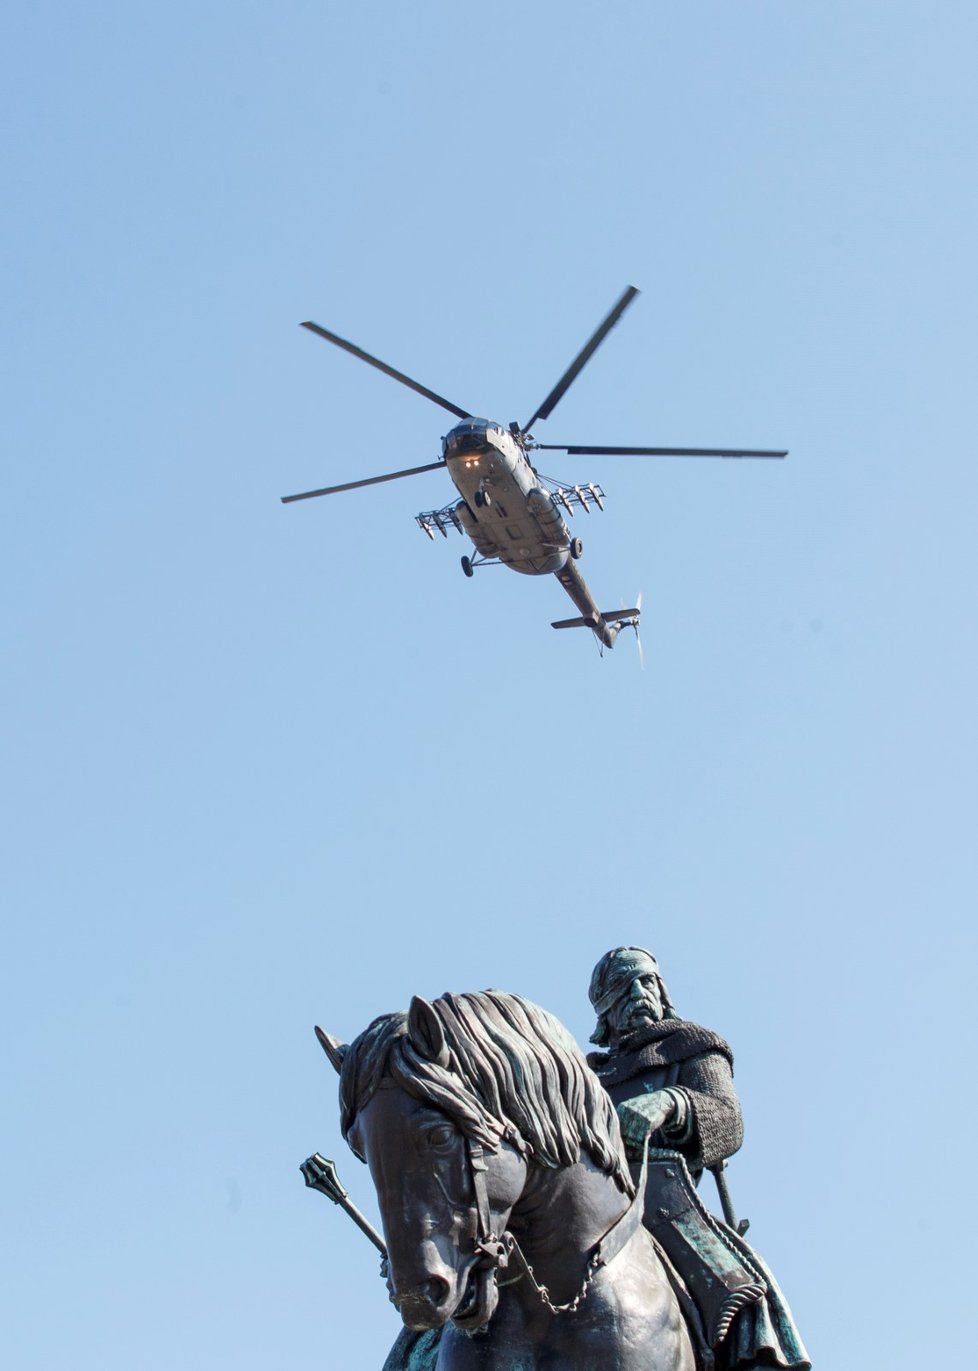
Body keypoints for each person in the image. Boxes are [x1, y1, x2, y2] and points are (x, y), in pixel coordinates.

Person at [587, 947, 811, 1371]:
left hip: (666, 1204)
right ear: (605, 1010)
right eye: (622, 988)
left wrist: (672, 1103)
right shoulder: (587, 1079)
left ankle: (756, 1360)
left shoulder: (690, 1046)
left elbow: (728, 1119)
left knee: (742, 1287)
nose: (638, 992)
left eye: (646, 981)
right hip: (590, 1203)